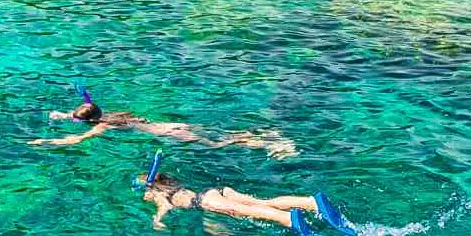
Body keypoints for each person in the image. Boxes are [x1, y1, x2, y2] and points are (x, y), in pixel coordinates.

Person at [32, 84, 297, 158]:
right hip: (171, 125)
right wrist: (64, 115)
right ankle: (267, 134)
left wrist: (46, 141)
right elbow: (87, 113)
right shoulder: (110, 115)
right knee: (223, 133)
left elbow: (78, 138)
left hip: (172, 134)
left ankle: (268, 144)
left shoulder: (103, 126)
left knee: (220, 144)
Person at [137, 155, 357, 236]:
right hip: (215, 191)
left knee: (252, 212)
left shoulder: (159, 194)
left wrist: (157, 221)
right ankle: (309, 202)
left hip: (205, 202)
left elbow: (164, 207)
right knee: (262, 202)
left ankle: (289, 219)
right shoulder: (174, 184)